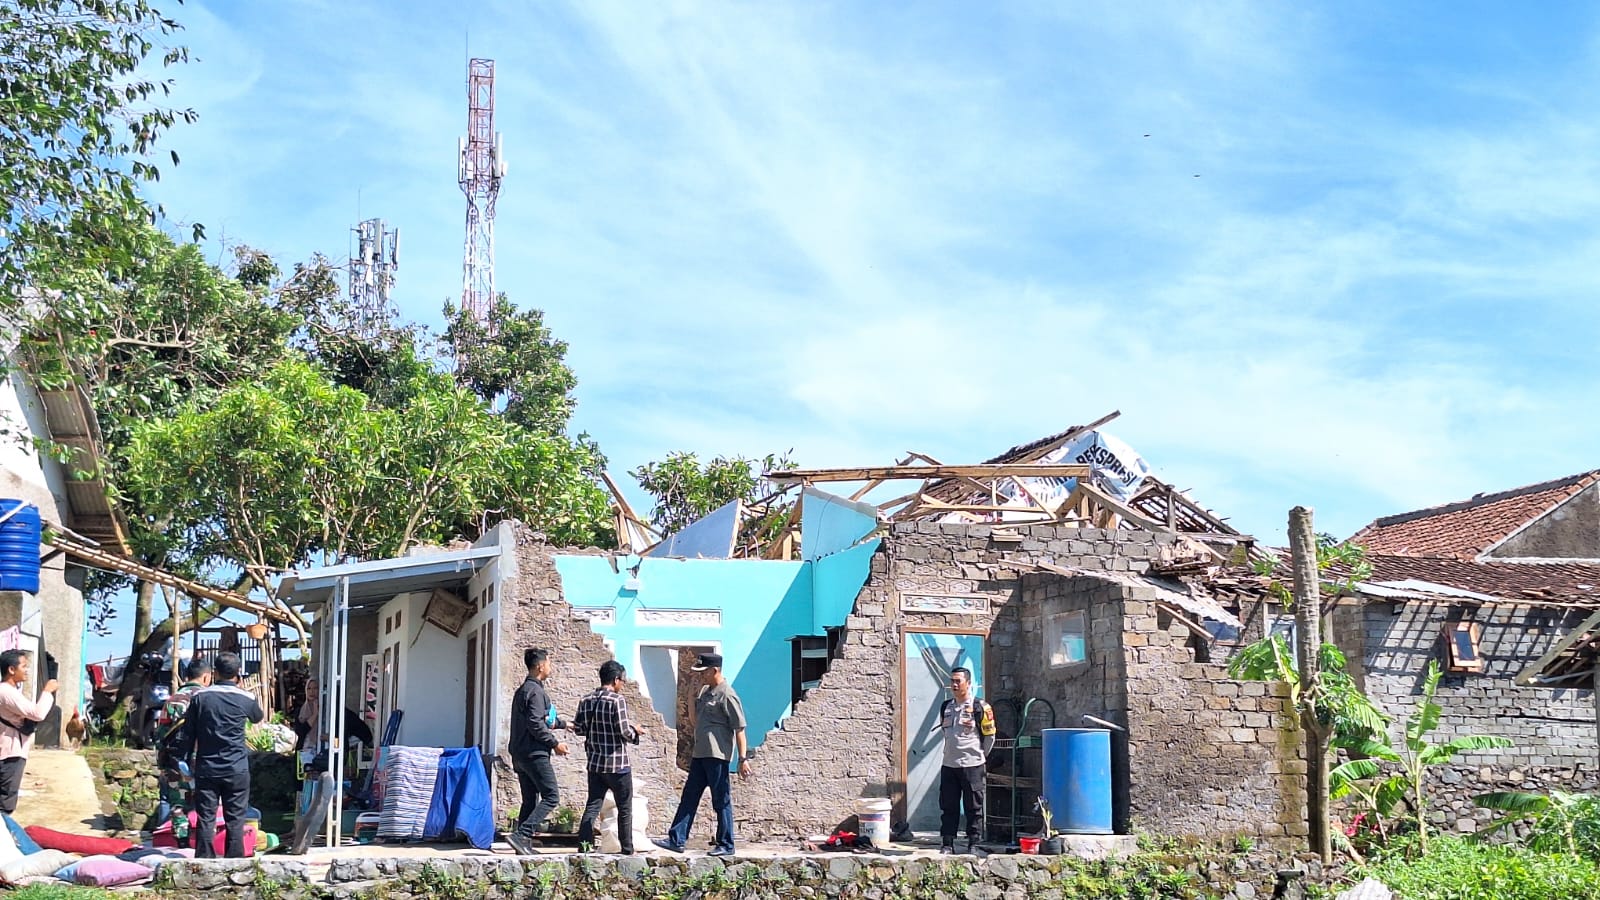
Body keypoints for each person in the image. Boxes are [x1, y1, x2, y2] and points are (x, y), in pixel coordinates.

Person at [652, 653, 750, 857]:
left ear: (715, 670)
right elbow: (695, 721)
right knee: (689, 796)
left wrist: (742, 759)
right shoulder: (706, 692)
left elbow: (740, 729)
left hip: (717, 756)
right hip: (700, 754)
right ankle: (677, 839)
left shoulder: (727, 695)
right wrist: (691, 695)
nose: (701, 676)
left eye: (703, 672)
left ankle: (726, 844)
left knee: (721, 800)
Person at [173, 652, 264, 858]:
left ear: (215, 672)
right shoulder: (246, 698)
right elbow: (257, 717)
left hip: (207, 768)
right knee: (236, 818)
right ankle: (235, 860)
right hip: (237, 768)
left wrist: (183, 761)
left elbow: (188, 734)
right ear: (238, 673)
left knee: (206, 817)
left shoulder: (200, 698)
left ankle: (204, 859)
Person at [572, 660, 642, 854]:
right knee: (624, 808)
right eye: (623, 681)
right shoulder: (617, 700)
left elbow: (579, 729)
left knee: (593, 805)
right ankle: (627, 848)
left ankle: (584, 846)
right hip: (617, 764)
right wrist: (635, 732)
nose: (623, 685)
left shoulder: (586, 700)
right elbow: (624, 731)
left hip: (595, 763)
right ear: (616, 679)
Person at [506, 647, 567, 855]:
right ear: (540, 666)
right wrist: (555, 744)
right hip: (534, 753)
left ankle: (522, 844)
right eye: (548, 663)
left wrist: (565, 724)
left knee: (530, 800)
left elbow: (543, 720)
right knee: (551, 796)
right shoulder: (535, 692)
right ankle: (521, 835)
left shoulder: (524, 690)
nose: (550, 667)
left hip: (519, 753)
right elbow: (535, 723)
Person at [934, 666, 995, 855]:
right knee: (948, 805)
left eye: (958, 681)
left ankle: (973, 843)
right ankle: (947, 843)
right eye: (952, 681)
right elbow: (946, 733)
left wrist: (980, 756)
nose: (954, 684)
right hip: (949, 765)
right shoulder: (946, 707)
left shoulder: (981, 707)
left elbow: (990, 736)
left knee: (973, 807)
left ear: (968, 683)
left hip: (973, 765)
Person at [156, 656, 212, 846]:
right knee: (208, 803)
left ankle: (182, 844)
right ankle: (205, 843)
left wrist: (163, 763)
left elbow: (161, 734)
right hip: (206, 761)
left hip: (176, 761)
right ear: (206, 677)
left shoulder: (173, 700)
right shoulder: (208, 698)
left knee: (178, 805)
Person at [0, 650, 57, 815]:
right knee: (5, 802)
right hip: (10, 752)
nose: (26, 670)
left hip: (10, 749)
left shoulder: (8, 691)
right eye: (24, 666)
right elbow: (37, 713)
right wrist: (47, 692)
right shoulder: (6, 691)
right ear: (11, 669)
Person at [293, 677, 319, 752]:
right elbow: (300, 732)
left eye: (315, 688)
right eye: (309, 688)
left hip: (322, 749)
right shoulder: (300, 711)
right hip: (304, 750)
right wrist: (315, 715)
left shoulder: (326, 710)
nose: (312, 691)